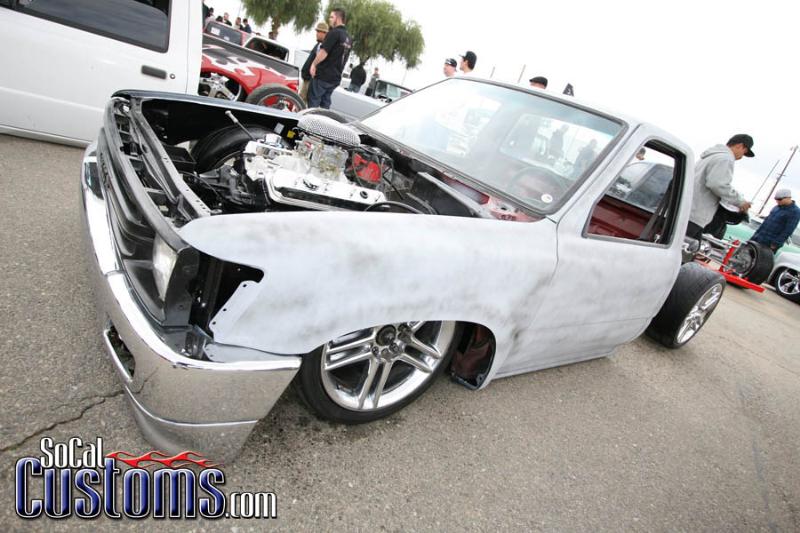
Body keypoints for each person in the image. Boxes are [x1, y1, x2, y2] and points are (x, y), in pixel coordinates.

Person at [687, 134, 755, 239]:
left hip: (687, 208)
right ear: (740, 146)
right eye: (744, 152)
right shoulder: (726, 159)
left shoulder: (711, 155)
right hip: (695, 214)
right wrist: (740, 201)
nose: (742, 157)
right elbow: (718, 184)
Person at [309, 8, 352, 109]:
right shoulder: (349, 38)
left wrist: (314, 64)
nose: (330, 20)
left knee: (313, 102)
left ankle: (310, 119)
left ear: (338, 18)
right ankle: (324, 119)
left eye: (332, 17)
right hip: (335, 78)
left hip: (323, 75)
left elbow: (324, 52)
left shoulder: (334, 33)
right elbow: (344, 59)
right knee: (325, 104)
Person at [299, 22, 329, 103]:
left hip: (310, 80)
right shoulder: (319, 45)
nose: (316, 34)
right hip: (307, 78)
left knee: (302, 102)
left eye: (318, 31)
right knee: (301, 100)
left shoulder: (324, 47)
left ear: (324, 33)